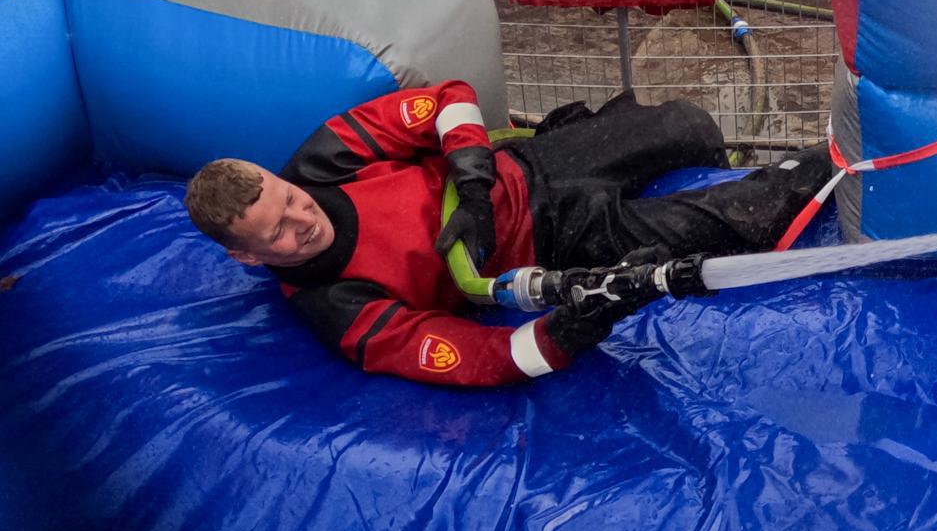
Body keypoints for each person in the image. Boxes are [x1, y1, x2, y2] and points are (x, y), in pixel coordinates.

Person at [180, 85, 833, 387]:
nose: (304, 221)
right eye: (281, 235)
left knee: (688, 124)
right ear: (246, 255)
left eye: (289, 200)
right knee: (736, 221)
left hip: (534, 163)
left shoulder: (326, 159)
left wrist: (468, 176)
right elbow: (470, 356)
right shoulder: (342, 311)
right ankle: (851, 164)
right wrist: (566, 333)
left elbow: (447, 99)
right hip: (558, 243)